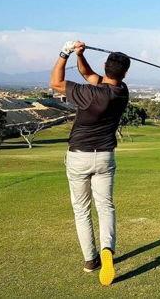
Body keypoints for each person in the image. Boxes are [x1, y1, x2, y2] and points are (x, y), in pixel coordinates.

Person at [49, 41, 130, 286]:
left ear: (105, 66)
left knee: (82, 210)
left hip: (79, 156)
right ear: (124, 73)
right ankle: (107, 249)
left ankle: (90, 259)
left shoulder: (90, 93)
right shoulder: (122, 91)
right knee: (105, 207)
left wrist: (64, 53)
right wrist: (79, 55)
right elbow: (87, 73)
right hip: (105, 156)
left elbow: (55, 83)